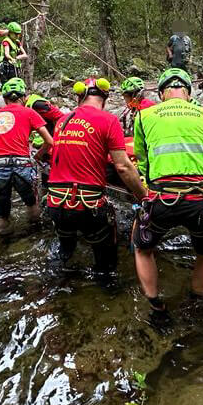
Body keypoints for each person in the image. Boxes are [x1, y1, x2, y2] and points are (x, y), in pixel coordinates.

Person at [132, 68, 203, 312]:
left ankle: (155, 304)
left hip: (163, 198)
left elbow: (142, 160)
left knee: (143, 249)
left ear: (162, 93)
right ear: (187, 91)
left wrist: (147, 187)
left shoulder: (144, 115)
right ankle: (196, 303)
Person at [46, 77, 147, 276]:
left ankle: (59, 291)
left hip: (55, 202)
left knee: (64, 254)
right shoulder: (108, 120)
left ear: (79, 96)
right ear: (106, 98)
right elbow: (123, 167)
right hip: (87, 205)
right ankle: (107, 295)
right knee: (106, 264)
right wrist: (143, 196)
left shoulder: (61, 121)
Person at [0, 78, 54, 234]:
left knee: (1, 215)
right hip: (21, 164)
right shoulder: (29, 112)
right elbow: (49, 141)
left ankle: (2, 246)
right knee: (31, 204)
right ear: (24, 97)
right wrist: (37, 156)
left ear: (4, 98)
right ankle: (35, 234)